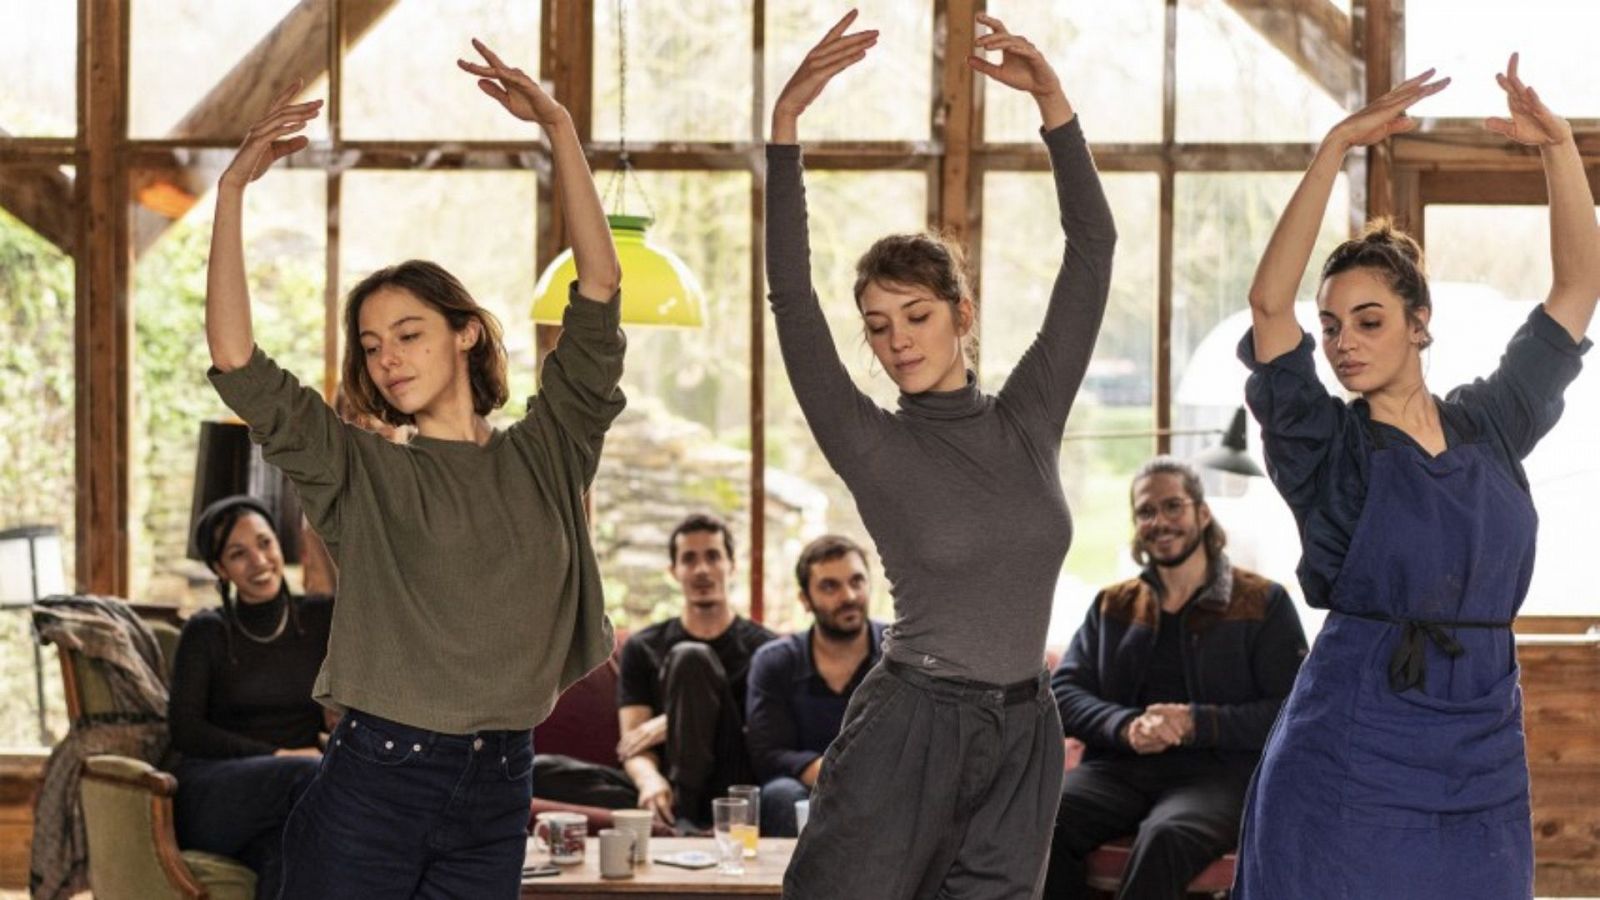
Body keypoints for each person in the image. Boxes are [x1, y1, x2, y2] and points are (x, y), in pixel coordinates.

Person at [203, 38, 625, 897]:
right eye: (370, 344)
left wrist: (559, 130)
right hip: (376, 783)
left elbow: (600, 287)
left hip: (501, 784)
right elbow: (237, 359)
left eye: (408, 333)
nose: (387, 358)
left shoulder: (549, 451)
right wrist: (231, 190)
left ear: (465, 331)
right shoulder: (359, 472)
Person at [767, 11, 1116, 897]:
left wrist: (1054, 106)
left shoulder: (1029, 415)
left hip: (1024, 729)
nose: (897, 341)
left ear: (961, 314)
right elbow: (793, 304)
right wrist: (785, 134)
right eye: (878, 328)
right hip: (910, 726)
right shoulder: (870, 441)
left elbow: (1093, 250)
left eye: (917, 316)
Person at [1234, 55, 1597, 898]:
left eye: (1368, 320)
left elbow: (1580, 286)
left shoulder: (1493, 422)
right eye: (1331, 327)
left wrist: (1562, 149)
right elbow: (1267, 307)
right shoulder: (1325, 445)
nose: (1344, 342)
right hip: (1355, 749)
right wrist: (1334, 149)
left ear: (1419, 323)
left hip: (1483, 746)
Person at [1044, 459, 1306, 899]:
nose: (1159, 521)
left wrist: (1194, 722)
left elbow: (1290, 711)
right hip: (1118, 768)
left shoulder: (1264, 602)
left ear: (1202, 514)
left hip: (1218, 777)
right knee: (1045, 818)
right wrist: (1125, 726)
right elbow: (1063, 693)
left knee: (1167, 836)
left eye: (1173, 506)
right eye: (1146, 511)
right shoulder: (1113, 605)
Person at [168, 495, 334, 900]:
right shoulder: (206, 632)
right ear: (219, 569)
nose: (259, 561)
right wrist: (281, 756)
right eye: (238, 554)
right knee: (313, 777)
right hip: (215, 793)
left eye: (265, 543)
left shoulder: (321, 619)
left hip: (296, 792)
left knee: (286, 853)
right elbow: (185, 731)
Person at [616, 513, 776, 829]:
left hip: (731, 784)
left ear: (732, 565)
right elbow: (634, 743)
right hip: (665, 781)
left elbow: (763, 740)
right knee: (544, 771)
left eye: (713, 556)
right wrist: (649, 781)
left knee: (691, 658)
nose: (702, 570)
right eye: (689, 559)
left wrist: (672, 720)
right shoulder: (642, 647)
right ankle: (669, 806)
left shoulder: (766, 649)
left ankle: (684, 818)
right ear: (674, 571)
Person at [745, 534, 888, 837]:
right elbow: (768, 753)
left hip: (887, 785)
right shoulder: (775, 662)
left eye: (857, 581)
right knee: (780, 794)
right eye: (829, 586)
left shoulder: (901, 655)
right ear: (805, 600)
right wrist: (835, 773)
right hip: (807, 791)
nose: (848, 595)